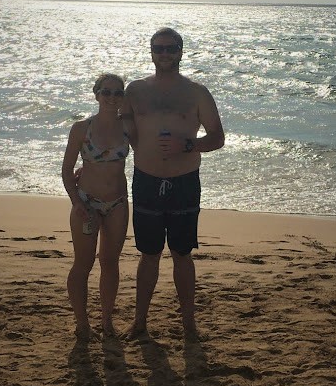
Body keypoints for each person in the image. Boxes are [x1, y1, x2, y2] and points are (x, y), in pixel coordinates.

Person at [121, 27, 225, 340]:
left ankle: (189, 325)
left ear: (181, 51)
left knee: (182, 254)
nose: (164, 53)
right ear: (151, 52)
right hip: (146, 180)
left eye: (170, 48)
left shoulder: (196, 92)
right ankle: (140, 323)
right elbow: (119, 134)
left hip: (184, 182)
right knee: (149, 254)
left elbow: (217, 137)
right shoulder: (135, 91)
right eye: (158, 48)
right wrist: (90, 164)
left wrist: (187, 145)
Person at [61, 73, 129, 339]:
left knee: (110, 263)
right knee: (83, 263)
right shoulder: (81, 128)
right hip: (86, 203)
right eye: (106, 92)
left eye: (118, 92)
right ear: (97, 94)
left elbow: (150, 151)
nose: (112, 97)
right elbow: (67, 170)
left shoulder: (128, 127)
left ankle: (107, 322)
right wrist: (76, 201)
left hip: (118, 204)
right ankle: (82, 324)